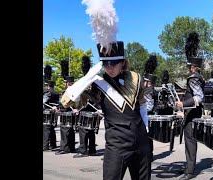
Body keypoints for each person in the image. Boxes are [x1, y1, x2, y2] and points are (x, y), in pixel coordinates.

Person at [61, 41, 151, 180]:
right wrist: (85, 79)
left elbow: (142, 104)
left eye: (113, 63)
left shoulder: (135, 78)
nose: (109, 67)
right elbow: (68, 102)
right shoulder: (97, 83)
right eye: (105, 63)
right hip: (117, 143)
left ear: (122, 62)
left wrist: (146, 128)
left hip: (141, 140)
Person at [175, 32, 205, 180]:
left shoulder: (194, 78)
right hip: (192, 113)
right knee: (189, 141)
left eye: (189, 66)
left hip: (193, 114)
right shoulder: (197, 77)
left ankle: (191, 171)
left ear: (193, 67)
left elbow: (199, 97)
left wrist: (183, 103)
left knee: (190, 141)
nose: (187, 68)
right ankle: (189, 166)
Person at [73, 55, 101, 158]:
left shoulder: (88, 84)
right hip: (91, 110)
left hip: (86, 110)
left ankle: (83, 151)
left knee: (84, 131)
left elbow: (87, 98)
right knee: (91, 131)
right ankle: (92, 150)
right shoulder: (96, 83)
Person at [55, 74, 77, 155]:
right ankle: (71, 148)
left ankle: (64, 148)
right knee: (71, 131)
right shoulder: (75, 91)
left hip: (67, 113)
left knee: (64, 131)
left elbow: (65, 103)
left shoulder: (68, 92)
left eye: (67, 83)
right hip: (71, 114)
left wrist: (58, 107)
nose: (66, 84)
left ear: (68, 83)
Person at [143, 54, 158, 162]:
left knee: (146, 137)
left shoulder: (150, 91)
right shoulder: (151, 90)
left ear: (148, 82)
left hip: (148, 114)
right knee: (147, 138)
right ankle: (148, 155)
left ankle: (148, 155)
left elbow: (151, 105)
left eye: (145, 81)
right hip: (148, 114)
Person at [43, 75, 59, 151]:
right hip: (54, 113)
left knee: (46, 129)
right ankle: (53, 144)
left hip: (47, 112)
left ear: (48, 86)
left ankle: (45, 146)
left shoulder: (47, 93)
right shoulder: (56, 93)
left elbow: (44, 102)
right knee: (52, 128)